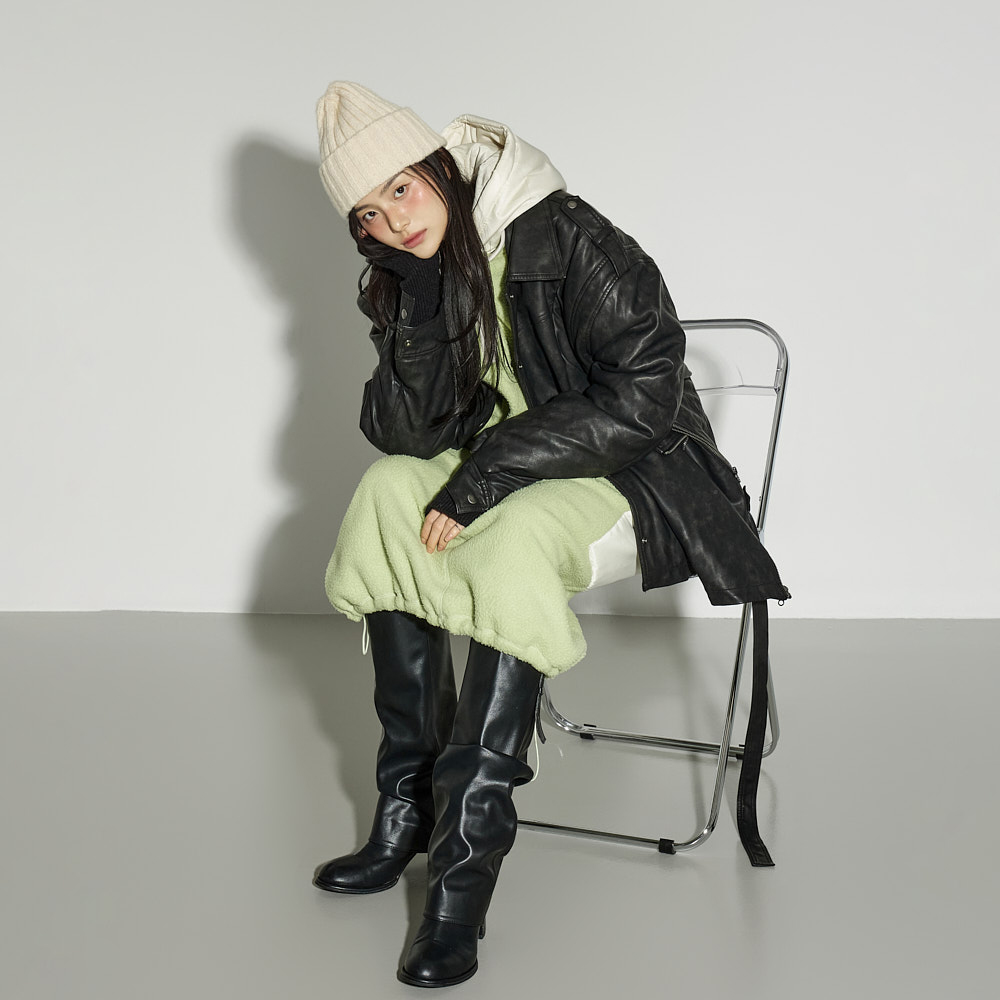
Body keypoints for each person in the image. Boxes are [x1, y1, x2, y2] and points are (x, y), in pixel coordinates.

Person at [311, 81, 789, 988]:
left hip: (638, 476)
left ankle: (460, 884)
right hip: (508, 471)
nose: (392, 221)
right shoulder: (421, 268)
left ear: (440, 167)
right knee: (384, 494)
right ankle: (406, 812)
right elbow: (405, 439)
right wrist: (418, 307)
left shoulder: (567, 233)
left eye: (401, 189)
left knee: (514, 538)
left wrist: (489, 473)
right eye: (368, 213)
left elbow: (643, 398)